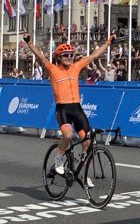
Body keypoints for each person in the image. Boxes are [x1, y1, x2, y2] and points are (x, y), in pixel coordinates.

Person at [25, 32, 112, 186]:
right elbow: (41, 57)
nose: (69, 58)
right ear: (58, 57)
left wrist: (108, 42)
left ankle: (83, 173)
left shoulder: (76, 67)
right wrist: (29, 42)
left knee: (88, 141)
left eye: (71, 55)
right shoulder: (52, 69)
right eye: (65, 55)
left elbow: (93, 56)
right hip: (63, 108)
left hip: (77, 108)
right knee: (67, 135)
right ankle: (58, 157)